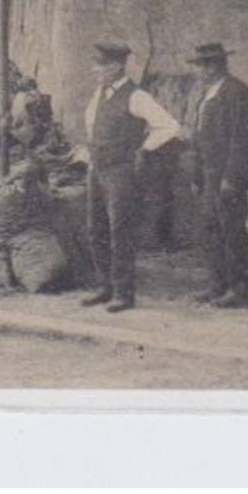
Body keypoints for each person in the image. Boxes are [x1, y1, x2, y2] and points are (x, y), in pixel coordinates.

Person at [80, 41, 182, 313]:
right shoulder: (98, 94)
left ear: (114, 67)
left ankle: (124, 293)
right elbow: (94, 129)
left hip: (121, 174)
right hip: (97, 170)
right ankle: (105, 286)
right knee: (96, 229)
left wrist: (142, 148)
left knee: (119, 232)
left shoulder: (137, 96)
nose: (94, 70)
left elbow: (170, 127)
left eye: (99, 65)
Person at [179, 42, 248, 308]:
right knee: (211, 230)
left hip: (227, 173)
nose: (202, 70)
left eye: (208, 64)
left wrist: (231, 177)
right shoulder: (206, 94)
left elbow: (242, 139)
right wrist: (197, 176)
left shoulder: (235, 92)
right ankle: (217, 285)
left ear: (220, 65)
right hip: (208, 174)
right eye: (200, 65)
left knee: (232, 230)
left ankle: (239, 289)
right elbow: (200, 137)